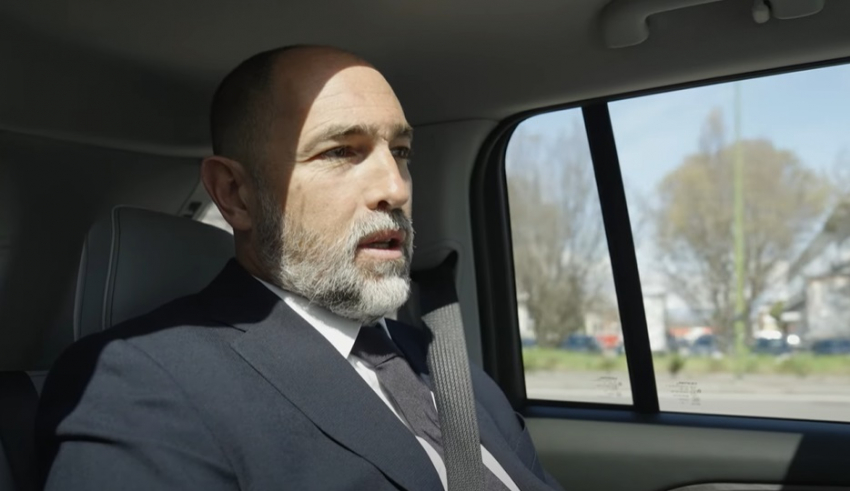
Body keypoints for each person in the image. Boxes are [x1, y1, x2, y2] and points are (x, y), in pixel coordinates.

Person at [36, 45, 564, 491]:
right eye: (341, 152)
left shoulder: (443, 363)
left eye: (401, 151)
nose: (395, 187)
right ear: (234, 193)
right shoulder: (138, 385)